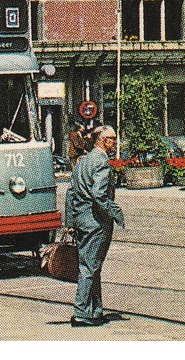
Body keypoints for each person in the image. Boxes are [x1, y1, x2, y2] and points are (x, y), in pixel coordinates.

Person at [67, 126, 125, 327]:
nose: (115, 142)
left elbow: (71, 193)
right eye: (112, 139)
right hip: (96, 222)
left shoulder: (83, 162)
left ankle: (95, 310)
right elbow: (99, 196)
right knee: (90, 267)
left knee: (91, 265)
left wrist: (71, 222)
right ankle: (81, 312)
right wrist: (115, 212)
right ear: (102, 140)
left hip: (82, 220)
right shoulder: (100, 162)